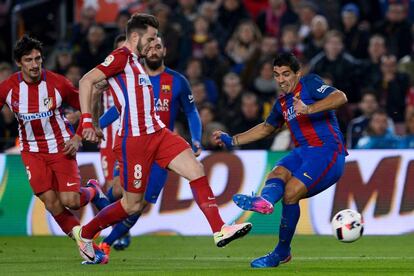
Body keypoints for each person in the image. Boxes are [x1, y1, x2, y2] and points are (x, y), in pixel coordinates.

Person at [74, 13, 252, 263]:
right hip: (134, 141)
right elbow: (86, 81)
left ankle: (219, 229)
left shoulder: (137, 62)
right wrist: (87, 120)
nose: (152, 43)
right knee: (132, 205)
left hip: (159, 133)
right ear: (135, 36)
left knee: (196, 169)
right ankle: (86, 233)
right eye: (150, 38)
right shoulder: (121, 57)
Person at [213, 52, 348, 268]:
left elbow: (340, 97)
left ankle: (280, 252)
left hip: (328, 151)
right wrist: (233, 139)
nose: (281, 80)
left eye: (286, 74)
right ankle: (265, 201)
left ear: (297, 73)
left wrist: (309, 108)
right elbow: (267, 128)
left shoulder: (310, 84)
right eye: (276, 75)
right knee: (276, 173)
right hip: (303, 152)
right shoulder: (282, 103)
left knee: (290, 192)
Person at [92, 35, 204, 255]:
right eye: (149, 47)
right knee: (118, 190)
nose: (153, 51)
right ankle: (99, 197)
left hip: (161, 151)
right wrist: (97, 126)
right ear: (142, 51)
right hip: (133, 145)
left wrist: (197, 137)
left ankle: (106, 245)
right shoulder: (131, 77)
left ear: (164, 51)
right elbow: (117, 109)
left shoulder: (178, 81)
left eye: (158, 47)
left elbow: (191, 111)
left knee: (140, 205)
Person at [0, 35, 106, 262]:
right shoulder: (9, 88)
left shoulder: (58, 83)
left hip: (60, 147)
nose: (35, 64)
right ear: (19, 63)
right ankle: (84, 241)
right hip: (32, 152)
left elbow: (87, 108)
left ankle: (94, 190)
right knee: (51, 203)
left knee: (71, 201)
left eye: (38, 59)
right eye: (28, 60)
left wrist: (78, 137)